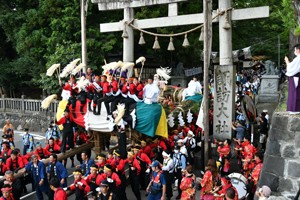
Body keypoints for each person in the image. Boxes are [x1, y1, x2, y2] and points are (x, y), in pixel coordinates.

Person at [284, 44, 300, 113]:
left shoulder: (298, 58)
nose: (294, 51)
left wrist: (287, 61)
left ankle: (295, 109)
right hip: (297, 77)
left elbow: (291, 68)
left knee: (294, 93)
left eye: (295, 50)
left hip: (296, 77)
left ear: (298, 50)